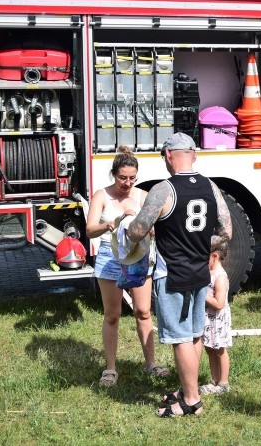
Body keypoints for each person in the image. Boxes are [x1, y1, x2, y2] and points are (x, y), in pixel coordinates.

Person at [125, 132, 232, 417]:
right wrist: (198, 245)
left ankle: (191, 401)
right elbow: (226, 231)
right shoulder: (211, 187)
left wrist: (125, 228)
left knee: (180, 338)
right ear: (194, 155)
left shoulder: (163, 190)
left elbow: (137, 230)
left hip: (172, 273)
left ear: (169, 156)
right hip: (200, 272)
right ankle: (188, 388)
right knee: (195, 333)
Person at [85, 145, 169, 388]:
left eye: (132, 178)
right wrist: (110, 224)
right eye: (123, 177)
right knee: (112, 315)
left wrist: (151, 228)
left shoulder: (142, 196)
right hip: (110, 257)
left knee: (143, 311)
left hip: (139, 258)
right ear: (114, 174)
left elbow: (156, 226)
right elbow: (90, 230)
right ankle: (110, 368)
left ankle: (150, 363)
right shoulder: (102, 196)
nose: (127, 183)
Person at [200, 238, 232, 396]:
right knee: (209, 349)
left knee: (219, 349)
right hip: (207, 318)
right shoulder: (208, 272)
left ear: (214, 256)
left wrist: (202, 294)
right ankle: (214, 380)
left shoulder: (220, 277)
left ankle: (224, 382)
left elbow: (219, 304)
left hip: (217, 320)